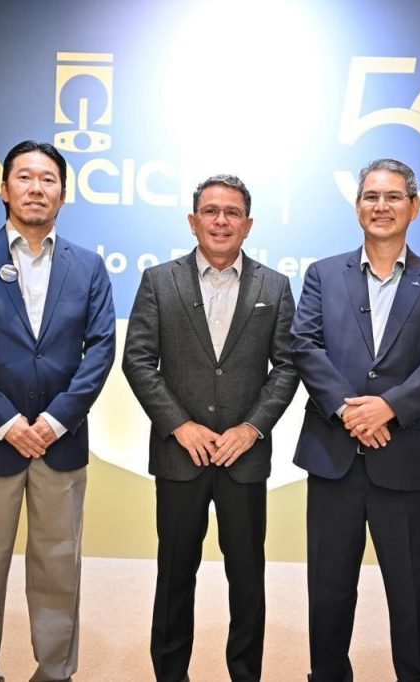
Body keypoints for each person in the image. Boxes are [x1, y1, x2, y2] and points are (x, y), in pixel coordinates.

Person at [0, 139, 116, 682]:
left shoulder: (88, 266)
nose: (36, 188)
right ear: (4, 189)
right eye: (25, 177)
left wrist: (55, 421)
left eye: (48, 179)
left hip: (61, 442)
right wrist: (7, 422)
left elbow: (100, 349)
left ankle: (55, 671)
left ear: (63, 193)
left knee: (59, 564)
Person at [291, 158, 420, 681]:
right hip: (334, 456)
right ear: (357, 206)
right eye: (371, 196)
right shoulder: (323, 274)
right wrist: (349, 409)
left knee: (409, 592)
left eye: (393, 197)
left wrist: (388, 406)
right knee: (328, 589)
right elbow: (305, 345)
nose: (381, 206)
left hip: (405, 459)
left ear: (414, 206)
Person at [122, 174, 299, 682]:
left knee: (247, 580)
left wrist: (251, 429)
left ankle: (245, 674)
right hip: (181, 456)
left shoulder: (274, 286)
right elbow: (138, 360)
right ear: (193, 220)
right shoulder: (159, 280)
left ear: (248, 223)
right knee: (175, 577)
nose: (221, 221)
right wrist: (180, 425)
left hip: (244, 458)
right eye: (211, 211)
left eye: (232, 212)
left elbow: (288, 366)